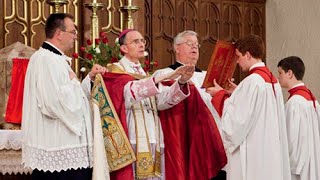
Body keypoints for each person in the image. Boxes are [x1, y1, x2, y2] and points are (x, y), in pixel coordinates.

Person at [21, 13, 106, 180]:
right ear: (59, 34)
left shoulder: (56, 59)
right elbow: (53, 103)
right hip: (59, 146)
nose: (76, 36)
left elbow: (74, 97)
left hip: (69, 146)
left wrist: (89, 78)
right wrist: (73, 83)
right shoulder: (46, 59)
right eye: (73, 32)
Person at [103, 29, 195, 180]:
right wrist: (163, 77)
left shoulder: (144, 73)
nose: (141, 44)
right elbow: (128, 94)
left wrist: (182, 81)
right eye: (135, 41)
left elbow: (160, 102)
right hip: (132, 135)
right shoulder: (116, 70)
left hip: (153, 134)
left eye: (142, 41)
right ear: (124, 48)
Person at [206, 34, 291, 180]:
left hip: (253, 152)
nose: (237, 61)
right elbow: (256, 106)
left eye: (238, 56)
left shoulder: (252, 81)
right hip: (268, 149)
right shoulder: (271, 80)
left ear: (248, 54)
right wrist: (237, 91)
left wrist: (219, 94)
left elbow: (236, 122)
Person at [153, 30, 227, 180]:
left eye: (196, 45)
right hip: (182, 137)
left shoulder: (209, 75)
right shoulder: (165, 74)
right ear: (176, 48)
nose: (194, 47)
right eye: (189, 43)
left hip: (211, 137)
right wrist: (181, 83)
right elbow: (160, 103)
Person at [277, 56, 320, 180]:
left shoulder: (295, 102)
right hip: (312, 161)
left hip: (298, 169)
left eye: (280, 72)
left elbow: (291, 139)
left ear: (289, 73)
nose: (278, 77)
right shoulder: (311, 99)